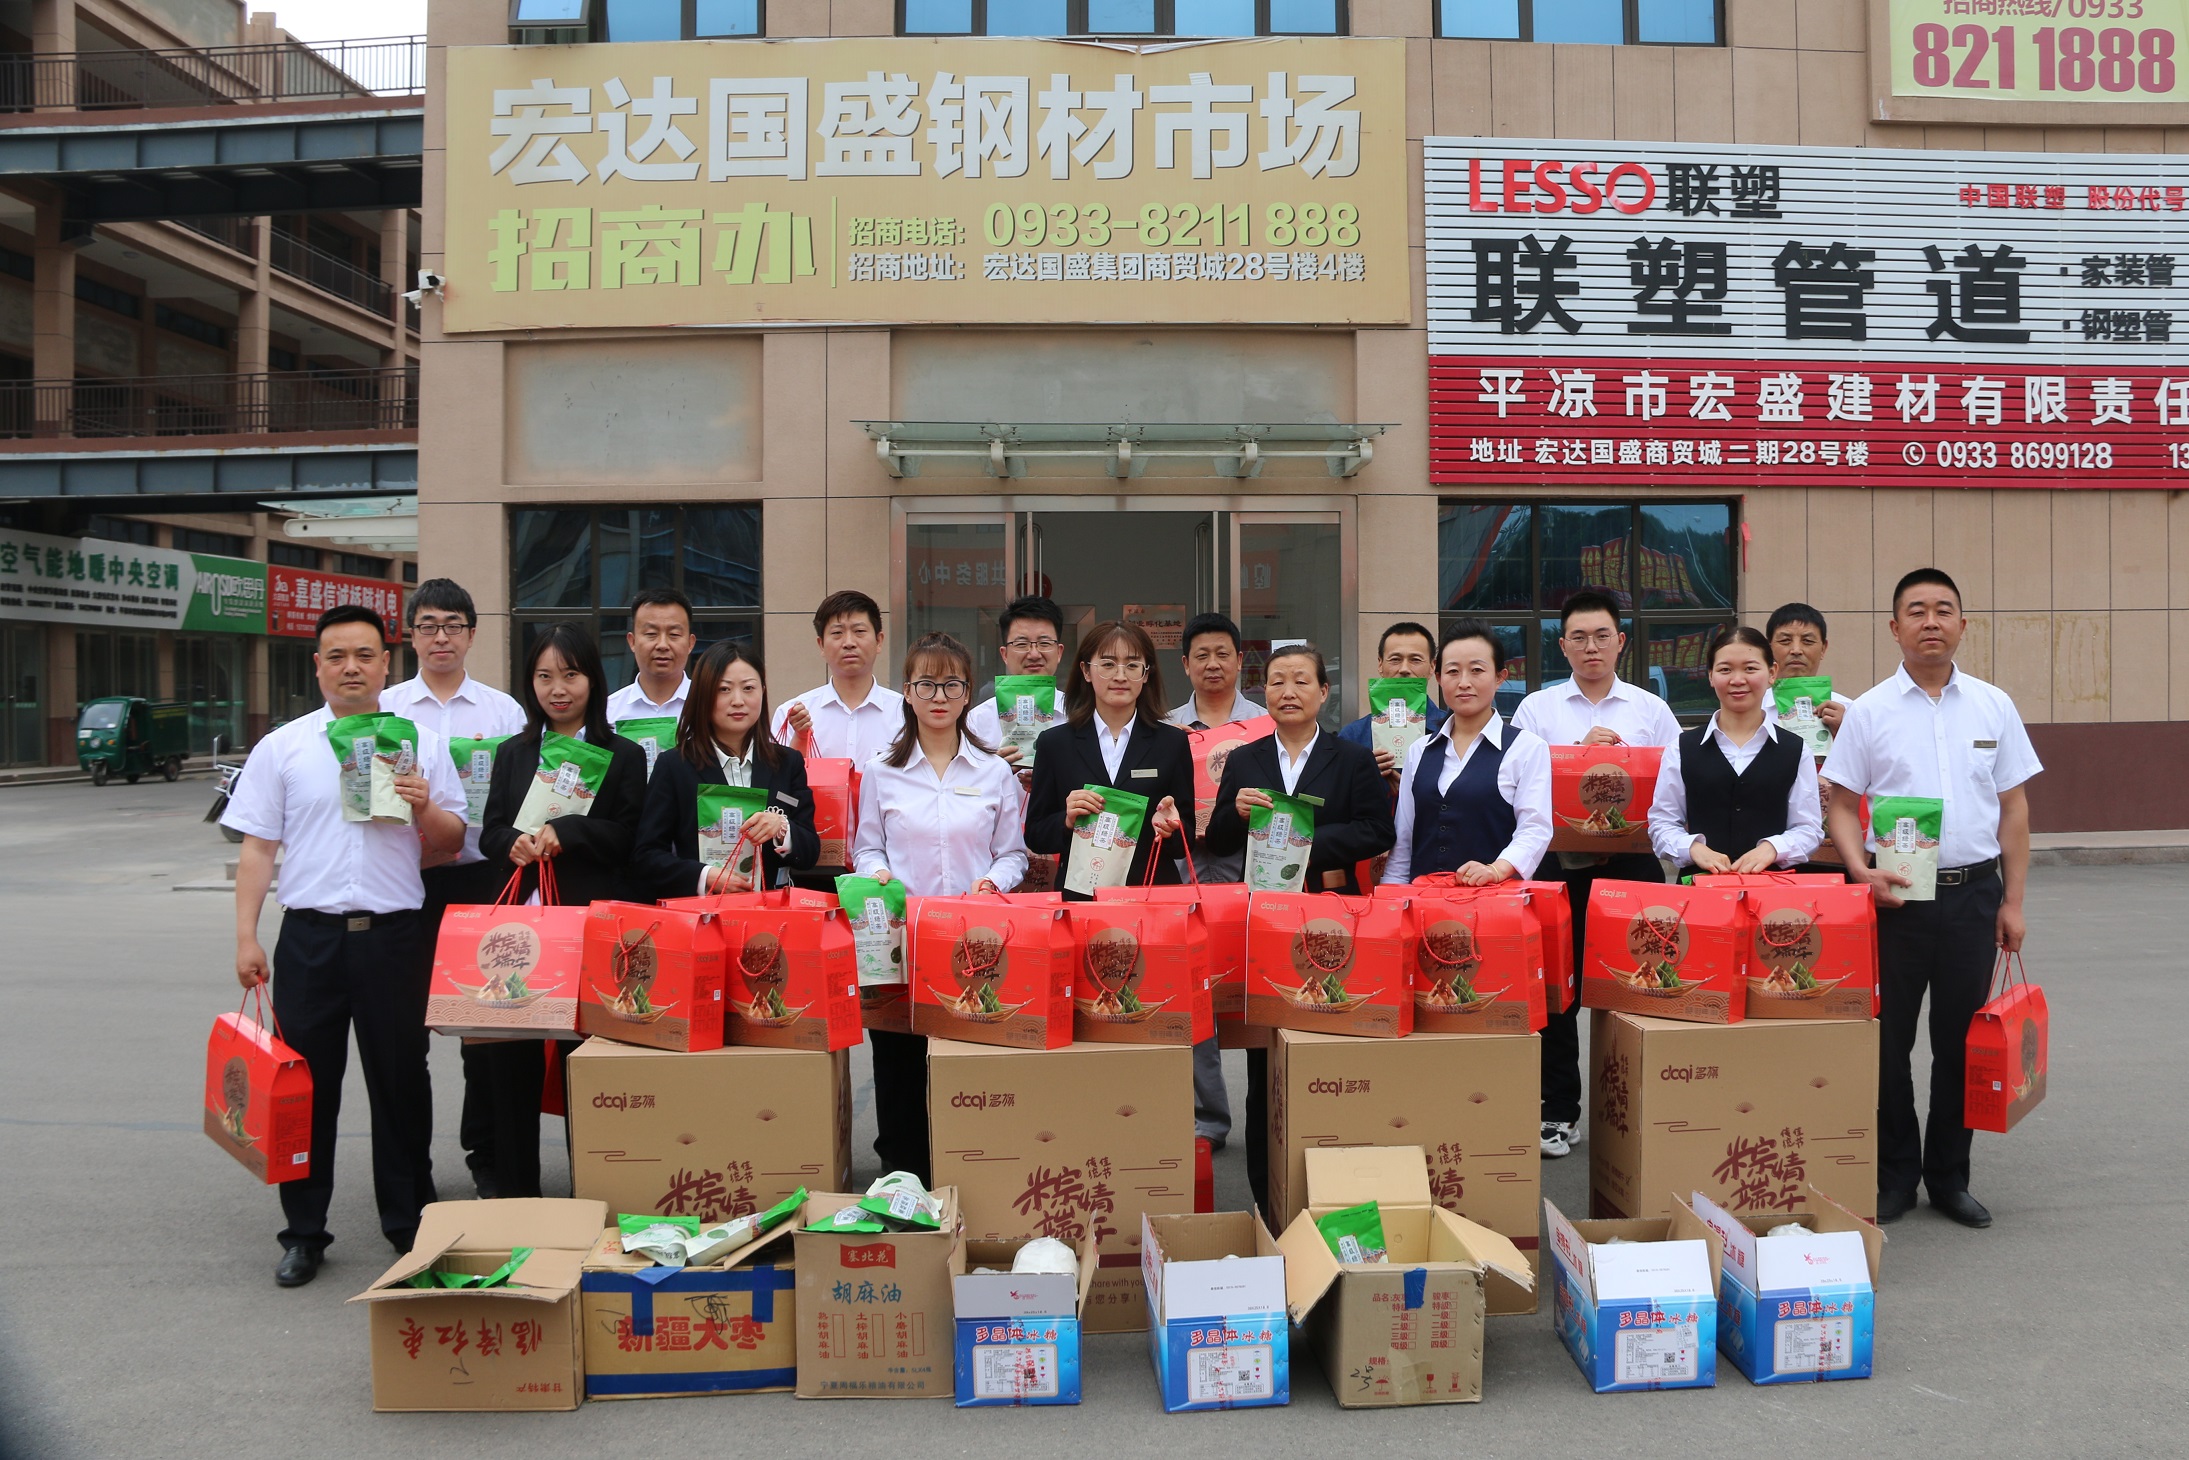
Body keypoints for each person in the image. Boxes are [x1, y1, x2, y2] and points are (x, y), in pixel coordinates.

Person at [222, 605, 468, 1288]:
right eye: (337, 656)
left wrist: (423, 804)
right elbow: (257, 849)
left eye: (364, 655)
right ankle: (304, 1232)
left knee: (401, 1084)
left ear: (386, 664)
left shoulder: (421, 743)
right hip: (309, 940)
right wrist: (246, 936)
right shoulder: (283, 747)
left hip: (393, 940)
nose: (351, 667)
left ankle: (408, 1224)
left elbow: (452, 840)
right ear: (318, 666)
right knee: (304, 1090)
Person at [1822, 569, 2039, 1230]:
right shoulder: (1869, 712)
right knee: (1887, 1045)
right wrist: (1858, 869)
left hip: (1973, 896)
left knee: (1960, 1043)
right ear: (1894, 628)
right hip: (1894, 902)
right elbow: (1840, 803)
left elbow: (2014, 808)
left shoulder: (1992, 705)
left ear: (1962, 625)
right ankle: (1895, 1177)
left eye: (1943, 610)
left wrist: (2013, 902)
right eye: (1915, 611)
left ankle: (1948, 1177)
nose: (1930, 622)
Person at [1203, 643, 1395, 1219]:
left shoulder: (1352, 758)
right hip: (1264, 920)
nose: (1288, 692)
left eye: (1301, 681)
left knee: (1332, 1041)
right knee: (1266, 1053)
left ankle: (1337, 1183)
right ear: (1264, 692)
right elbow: (1218, 839)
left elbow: (1377, 831)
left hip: (1334, 913)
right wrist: (1235, 813)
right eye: (1277, 681)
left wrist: (1301, 837)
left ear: (1323, 692)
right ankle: (1266, 1194)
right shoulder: (1245, 759)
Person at [474, 623, 647, 1199]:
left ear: (592, 679)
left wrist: (569, 831)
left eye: (570, 675)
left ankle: (593, 1197)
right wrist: (513, 843)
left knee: (586, 1071)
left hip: (588, 932)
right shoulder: (514, 752)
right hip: (520, 933)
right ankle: (518, 1198)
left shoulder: (622, 755)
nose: (558, 688)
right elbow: (489, 831)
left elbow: (629, 837)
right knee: (512, 1070)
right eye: (544, 676)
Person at [1511, 588, 1682, 1161]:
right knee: (1557, 989)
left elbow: (1673, 785)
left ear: (1621, 642)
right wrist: (1579, 756)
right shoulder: (1536, 710)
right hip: (1560, 865)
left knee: (1640, 983)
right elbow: (1520, 786)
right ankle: (1558, 1111)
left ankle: (1634, 1110)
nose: (1591, 647)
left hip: (1632, 866)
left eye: (1602, 636)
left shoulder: (1650, 710)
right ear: (1562, 645)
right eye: (1579, 637)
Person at [852, 632, 1029, 1183]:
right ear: (907, 691)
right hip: (902, 938)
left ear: (967, 692)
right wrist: (877, 876)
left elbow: (1013, 854)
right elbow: (866, 847)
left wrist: (991, 883)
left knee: (968, 1053)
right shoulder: (882, 770)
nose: (938, 696)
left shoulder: (992, 770)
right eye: (925, 684)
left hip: (974, 939)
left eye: (951, 684)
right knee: (899, 1059)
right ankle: (901, 1170)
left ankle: (971, 1168)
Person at [381, 578, 526, 1199]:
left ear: (472, 634)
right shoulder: (385, 709)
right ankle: (410, 1170)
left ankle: (486, 1156)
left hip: (482, 880)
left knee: (485, 1030)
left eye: (453, 625)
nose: (441, 637)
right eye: (428, 625)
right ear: (410, 635)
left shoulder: (504, 712)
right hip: (406, 884)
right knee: (403, 1031)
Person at [1161, 610, 1263, 1149]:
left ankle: (1272, 1113)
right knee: (1193, 987)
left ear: (1240, 660)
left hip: (1251, 866)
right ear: (1185, 664)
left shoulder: (1266, 723)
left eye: (1223, 653)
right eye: (1201, 655)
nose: (1213, 663)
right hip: (1186, 865)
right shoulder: (1165, 728)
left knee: (1258, 984)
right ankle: (1208, 1120)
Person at [633, 640, 819, 901]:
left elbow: (810, 852)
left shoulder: (787, 763)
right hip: (701, 914)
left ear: (763, 691)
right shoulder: (674, 765)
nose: (738, 701)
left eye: (749, 688)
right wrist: (704, 876)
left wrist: (782, 828)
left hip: (772, 912)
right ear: (703, 695)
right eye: (724, 689)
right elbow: (646, 856)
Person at [1025, 620, 1194, 894]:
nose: (1120, 676)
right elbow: (1036, 836)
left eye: (1132, 665)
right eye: (1107, 664)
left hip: (1152, 896)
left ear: (1146, 674)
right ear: (1086, 671)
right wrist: (1067, 819)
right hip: (1081, 896)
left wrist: (1172, 828)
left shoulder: (1172, 743)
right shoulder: (1054, 744)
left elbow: (1186, 842)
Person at [1382, 620, 1553, 888]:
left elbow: (1535, 828)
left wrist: (1496, 869)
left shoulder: (1527, 748)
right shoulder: (1419, 750)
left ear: (1500, 677)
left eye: (1477, 670)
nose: (1464, 683)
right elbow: (1404, 836)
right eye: (1452, 671)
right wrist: (1391, 891)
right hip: (1425, 900)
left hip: (1495, 901)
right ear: (1438, 678)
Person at [1646, 627, 1824, 875]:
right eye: (1725, 670)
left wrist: (1773, 848)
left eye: (1750, 668)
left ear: (1772, 673)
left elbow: (1808, 828)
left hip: (1773, 890)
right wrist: (1693, 848)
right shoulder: (1681, 748)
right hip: (1699, 889)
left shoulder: (1795, 749)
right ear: (1710, 676)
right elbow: (1662, 824)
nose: (1738, 680)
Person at [1765, 602, 1860, 873]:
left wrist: (1845, 734)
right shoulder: (1752, 712)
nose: (1796, 650)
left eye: (1807, 641)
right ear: (1768, 648)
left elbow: (1875, 777)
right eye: (1785, 641)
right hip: (1767, 849)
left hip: (1835, 851)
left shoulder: (1852, 712)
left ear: (1824, 648)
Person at [772, 589, 907, 765]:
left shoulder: (905, 713)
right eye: (837, 633)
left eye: (859, 631)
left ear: (879, 641)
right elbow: (778, 777)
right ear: (821, 644)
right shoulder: (792, 714)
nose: (849, 643)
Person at [966, 594, 1067, 785]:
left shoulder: (1080, 716)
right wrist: (990, 774)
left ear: (1059, 652)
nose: (1034, 654)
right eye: (1021, 644)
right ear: (1004, 654)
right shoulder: (976, 723)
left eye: (1044, 643)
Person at [1338, 621, 1451, 790]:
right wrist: (1362, 774)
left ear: (1432, 667)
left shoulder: (1451, 729)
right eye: (1395, 659)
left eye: (1415, 660)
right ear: (1380, 664)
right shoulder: (1353, 736)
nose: (1404, 669)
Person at [605, 587, 694, 724]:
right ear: (632, 641)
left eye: (674, 634)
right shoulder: (608, 714)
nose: (662, 645)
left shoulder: (712, 707)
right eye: (651, 634)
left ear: (690, 643)